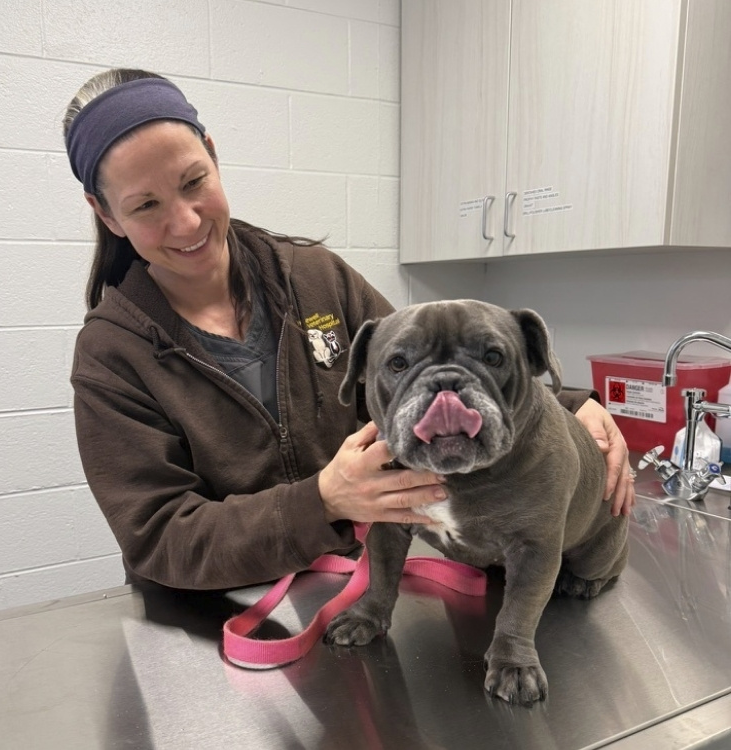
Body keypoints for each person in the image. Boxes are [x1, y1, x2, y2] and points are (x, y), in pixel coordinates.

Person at [63, 68, 635, 592]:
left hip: (346, 588)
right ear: (106, 213)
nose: (185, 221)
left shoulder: (312, 277)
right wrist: (321, 501)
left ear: (213, 155)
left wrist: (566, 406)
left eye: (194, 182)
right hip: (209, 613)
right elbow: (160, 539)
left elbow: (423, 374)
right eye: (145, 206)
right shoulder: (112, 354)